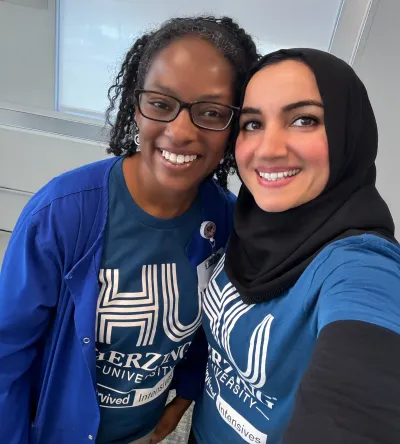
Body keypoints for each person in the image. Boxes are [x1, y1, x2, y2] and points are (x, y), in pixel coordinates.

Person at [0, 16, 259, 444]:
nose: (180, 132)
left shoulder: (229, 221)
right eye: (160, 103)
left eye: (211, 113)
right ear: (134, 104)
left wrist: (184, 396)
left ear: (234, 125)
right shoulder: (62, 215)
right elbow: (7, 354)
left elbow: (212, 329)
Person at [191, 48, 400, 444]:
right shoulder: (246, 222)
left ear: (347, 133)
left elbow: (360, 408)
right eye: (252, 123)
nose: (268, 148)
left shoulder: (361, 266)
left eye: (304, 120)